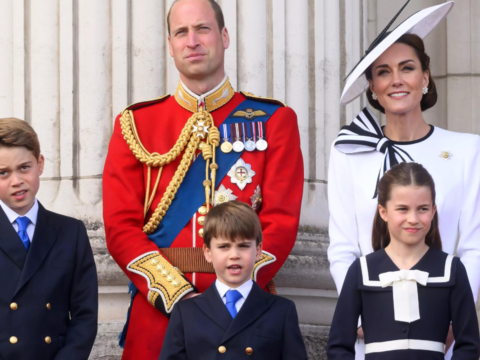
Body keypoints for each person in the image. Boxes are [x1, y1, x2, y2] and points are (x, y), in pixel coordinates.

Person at [102, 0, 304, 358]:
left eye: (203, 29)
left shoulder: (274, 120)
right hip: (159, 315)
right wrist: (177, 296)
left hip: (243, 315)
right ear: (170, 45)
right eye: (181, 32)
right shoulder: (135, 125)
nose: (192, 40)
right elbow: (120, 228)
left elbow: (281, 223)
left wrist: (234, 290)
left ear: (224, 36)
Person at [327, 2, 480, 358]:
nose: (396, 80)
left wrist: (454, 318)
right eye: (383, 72)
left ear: (425, 77)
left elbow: (473, 244)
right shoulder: (348, 150)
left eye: (407, 68)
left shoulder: (467, 150)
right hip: (373, 332)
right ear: (372, 85)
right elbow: (342, 247)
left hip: (441, 335)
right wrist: (361, 310)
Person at [327, 162, 480, 360]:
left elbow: (469, 345)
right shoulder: (361, 270)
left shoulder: (452, 269)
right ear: (383, 212)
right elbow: (338, 346)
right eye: (402, 209)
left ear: (433, 211)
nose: (413, 218)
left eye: (422, 209)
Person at [0, 117, 98, 360]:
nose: (16, 181)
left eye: (25, 167)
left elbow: (84, 315)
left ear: (40, 164)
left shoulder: (70, 233)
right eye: (3, 173)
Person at [159, 201, 308, 360]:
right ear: (208, 253)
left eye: (243, 246)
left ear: (258, 251)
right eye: (224, 247)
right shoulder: (185, 312)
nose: (234, 255)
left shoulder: (281, 310)